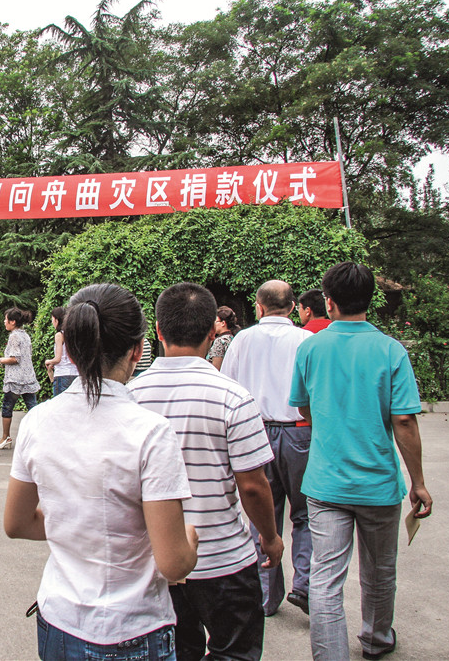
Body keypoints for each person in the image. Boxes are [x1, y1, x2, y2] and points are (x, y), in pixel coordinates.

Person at [4, 283, 199, 660]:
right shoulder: (151, 432)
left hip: (58, 621)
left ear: (71, 350)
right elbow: (173, 563)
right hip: (132, 629)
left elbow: (17, 523)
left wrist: (74, 521)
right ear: (137, 350)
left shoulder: (37, 421)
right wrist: (190, 540)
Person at [130, 282, 282, 661]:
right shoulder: (234, 397)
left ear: (158, 331)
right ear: (213, 333)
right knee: (235, 652)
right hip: (224, 559)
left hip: (157, 560)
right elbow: (252, 486)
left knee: (176, 652)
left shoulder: (131, 396)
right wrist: (270, 536)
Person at [289, 262, 432, 661]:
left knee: (325, 579)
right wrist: (418, 482)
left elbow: (303, 407)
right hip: (377, 485)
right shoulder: (390, 349)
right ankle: (376, 639)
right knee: (380, 572)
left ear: (328, 302)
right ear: (371, 300)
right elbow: (404, 420)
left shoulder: (310, 347)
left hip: (326, 484)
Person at [221, 280, 313, 618]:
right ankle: (304, 584)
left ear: (258, 307)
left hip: (255, 432)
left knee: (262, 514)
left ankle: (265, 596)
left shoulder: (243, 340)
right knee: (304, 513)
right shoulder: (306, 340)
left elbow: (228, 387)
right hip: (299, 433)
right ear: (292, 308)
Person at [0, 307, 40, 450]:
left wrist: (0, 360)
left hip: (15, 379)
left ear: (12, 322)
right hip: (28, 377)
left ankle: (5, 437)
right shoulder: (25, 335)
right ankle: (40, 437)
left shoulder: (14, 336)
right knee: (33, 408)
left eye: (6, 319)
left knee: (7, 407)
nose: (4, 322)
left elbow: (15, 358)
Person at [44, 307, 79, 396]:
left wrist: (48, 361)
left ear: (56, 320)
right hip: (75, 374)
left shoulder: (59, 335)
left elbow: (58, 359)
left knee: (60, 403)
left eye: (52, 319)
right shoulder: (73, 335)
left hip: (62, 375)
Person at [207, 306, 240, 370]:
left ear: (223, 323)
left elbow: (216, 368)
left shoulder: (220, 341)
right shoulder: (234, 338)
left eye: (215, 321)